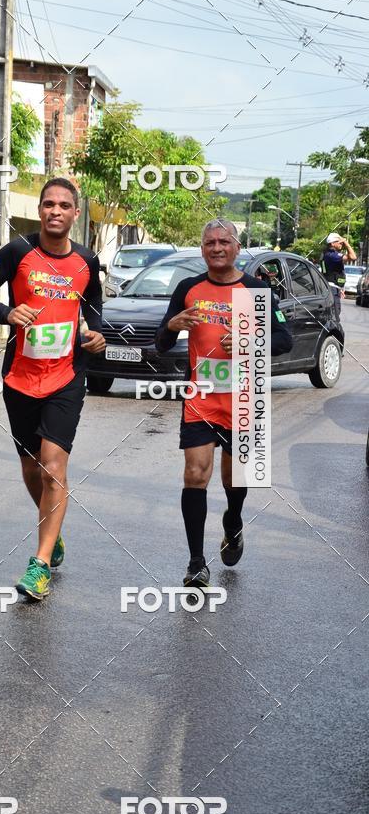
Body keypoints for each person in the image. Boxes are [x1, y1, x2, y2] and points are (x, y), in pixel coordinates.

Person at [0, 177, 105, 600]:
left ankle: (40, 563)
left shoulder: (86, 260)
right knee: (31, 467)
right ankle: (54, 530)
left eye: (65, 205)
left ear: (75, 214)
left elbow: (95, 312)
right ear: (41, 210)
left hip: (66, 376)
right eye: (49, 204)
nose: (56, 211)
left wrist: (97, 336)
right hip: (20, 377)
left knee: (53, 466)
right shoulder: (18, 251)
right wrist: (7, 313)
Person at [155, 219, 292, 589]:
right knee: (195, 474)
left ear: (236, 247)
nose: (217, 248)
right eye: (210, 242)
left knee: (235, 478)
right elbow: (161, 343)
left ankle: (233, 521)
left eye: (224, 242)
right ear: (202, 248)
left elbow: (285, 340)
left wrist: (250, 344)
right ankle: (196, 563)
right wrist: (171, 326)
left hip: (244, 399)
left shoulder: (255, 290)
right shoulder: (188, 288)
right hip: (200, 398)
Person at [321, 232, 356, 315]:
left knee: (333, 315)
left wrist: (340, 288)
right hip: (332, 289)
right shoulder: (332, 255)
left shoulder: (327, 253)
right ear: (332, 243)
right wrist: (347, 243)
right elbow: (353, 257)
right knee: (335, 316)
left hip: (332, 288)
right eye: (339, 242)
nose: (341, 244)